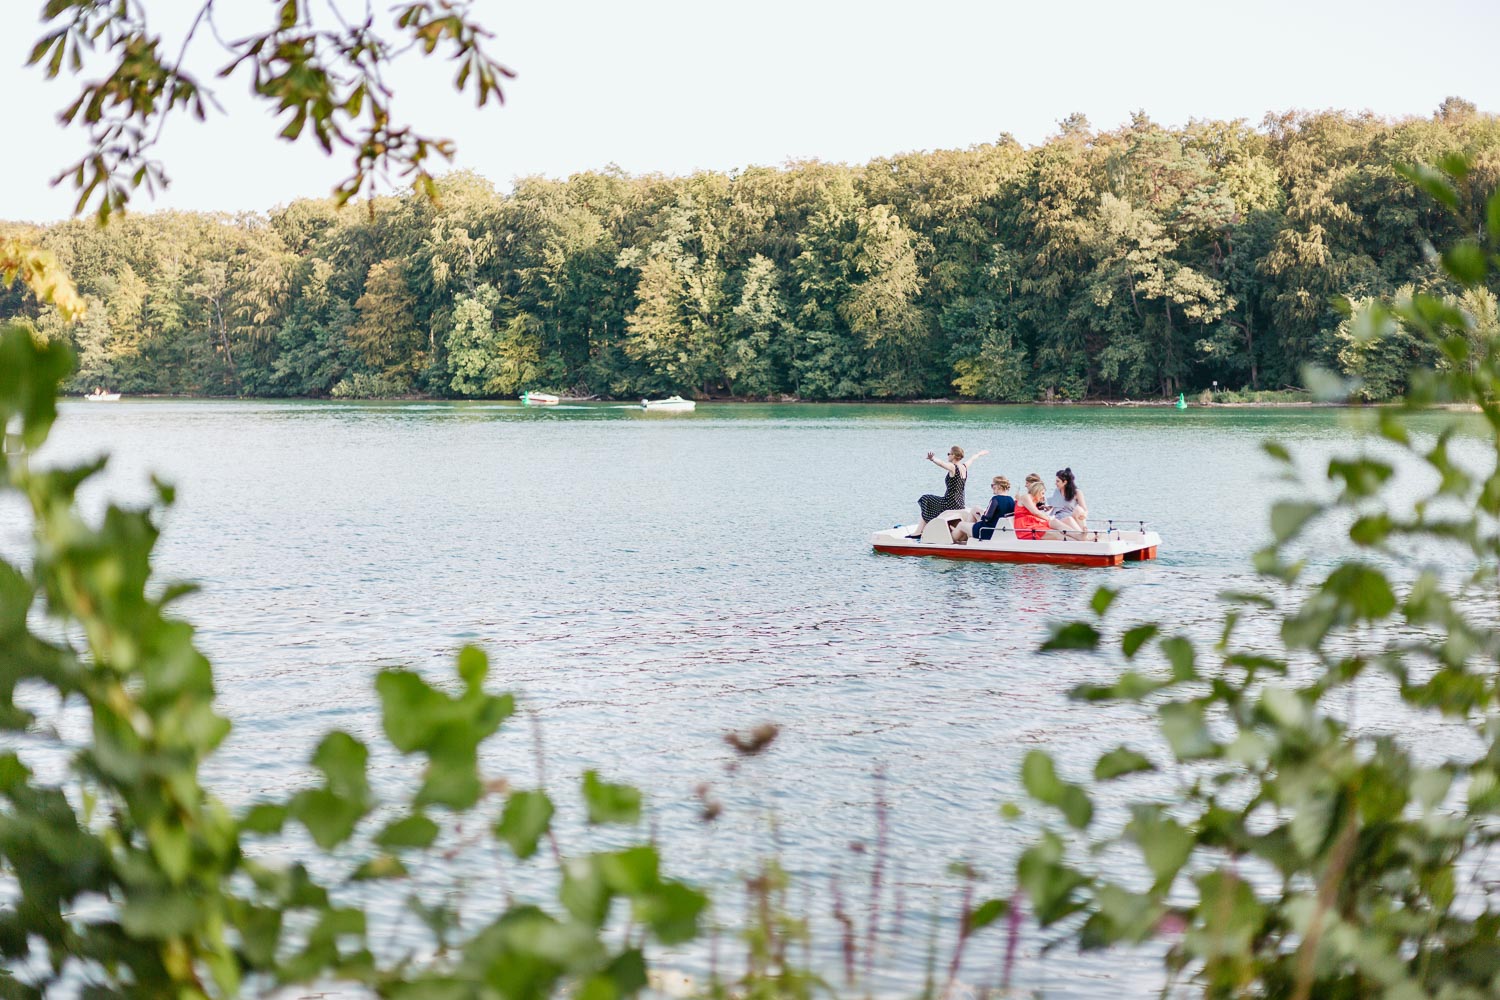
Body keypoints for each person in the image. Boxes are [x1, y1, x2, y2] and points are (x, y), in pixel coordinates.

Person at [909, 446, 989, 538]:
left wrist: (933, 459)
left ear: (954, 455)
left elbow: (942, 464)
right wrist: (980, 453)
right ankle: (921, 530)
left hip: (950, 502)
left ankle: (919, 531)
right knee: (928, 501)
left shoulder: (953, 467)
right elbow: (973, 458)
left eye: (948, 454)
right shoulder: (964, 466)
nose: (947, 456)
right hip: (960, 503)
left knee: (925, 499)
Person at [1014, 477, 1082, 541]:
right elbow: (1035, 512)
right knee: (1056, 534)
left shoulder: (1033, 500)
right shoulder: (1026, 497)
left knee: (1055, 522)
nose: (1043, 496)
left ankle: (1079, 536)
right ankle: (1078, 541)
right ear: (1037, 491)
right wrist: (1048, 518)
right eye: (1042, 493)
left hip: (1033, 522)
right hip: (1024, 526)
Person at [961, 475, 1015, 541]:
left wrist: (982, 515)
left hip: (988, 531)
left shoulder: (995, 499)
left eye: (993, 485)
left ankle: (958, 540)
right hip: (999, 528)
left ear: (999, 487)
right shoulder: (1011, 500)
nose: (992, 487)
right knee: (975, 510)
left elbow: (987, 518)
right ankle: (969, 536)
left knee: (960, 524)